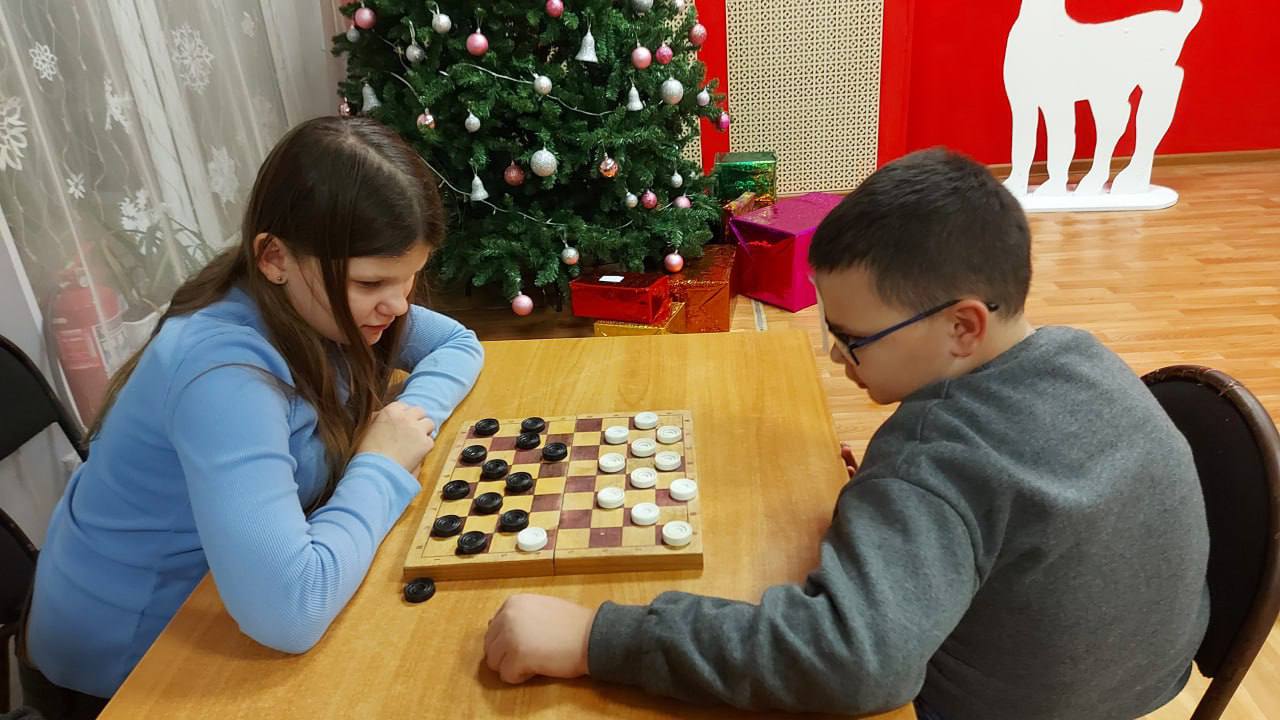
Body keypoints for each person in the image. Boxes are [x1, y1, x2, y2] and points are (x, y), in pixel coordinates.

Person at [482, 148, 1210, 720]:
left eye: (852, 337)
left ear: (963, 326)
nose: (836, 355)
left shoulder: (931, 455)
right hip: (1136, 685)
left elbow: (854, 664)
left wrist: (595, 640)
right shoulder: (1084, 355)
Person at [20, 116, 484, 718]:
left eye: (410, 277)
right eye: (371, 282)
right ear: (273, 256)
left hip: (227, 598)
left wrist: (402, 417)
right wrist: (380, 463)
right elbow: (291, 612)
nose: (397, 305)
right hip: (127, 670)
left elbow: (457, 344)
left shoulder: (311, 298)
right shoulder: (223, 372)